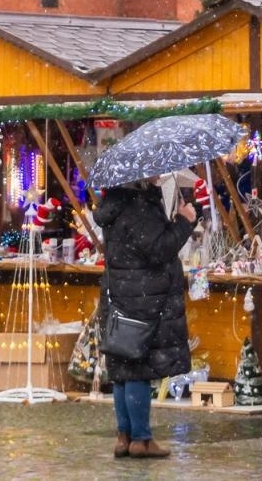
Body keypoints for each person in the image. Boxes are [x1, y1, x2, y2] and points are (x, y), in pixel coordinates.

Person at [96, 180, 197, 459]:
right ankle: (141, 439)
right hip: (144, 298)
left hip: (121, 295)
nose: (157, 178)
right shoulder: (138, 207)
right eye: (152, 175)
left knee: (122, 370)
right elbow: (159, 249)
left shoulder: (116, 204)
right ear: (138, 179)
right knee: (137, 369)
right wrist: (184, 222)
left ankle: (124, 436)